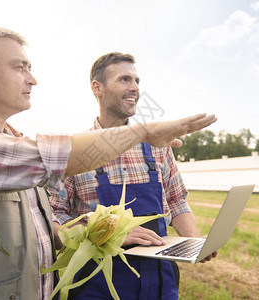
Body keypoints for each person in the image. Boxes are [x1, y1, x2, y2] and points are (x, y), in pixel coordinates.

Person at [0, 27, 216, 300]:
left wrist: (87, 230)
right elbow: (50, 159)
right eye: (20, 67)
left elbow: (42, 229)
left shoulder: (10, 143)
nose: (33, 79)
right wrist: (144, 130)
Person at [49, 52, 217, 300]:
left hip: (160, 281)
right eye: (125, 80)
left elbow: (176, 200)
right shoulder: (75, 151)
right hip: (97, 284)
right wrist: (111, 235)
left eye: (137, 81)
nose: (134, 88)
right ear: (98, 88)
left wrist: (193, 242)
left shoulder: (159, 145)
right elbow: (53, 217)